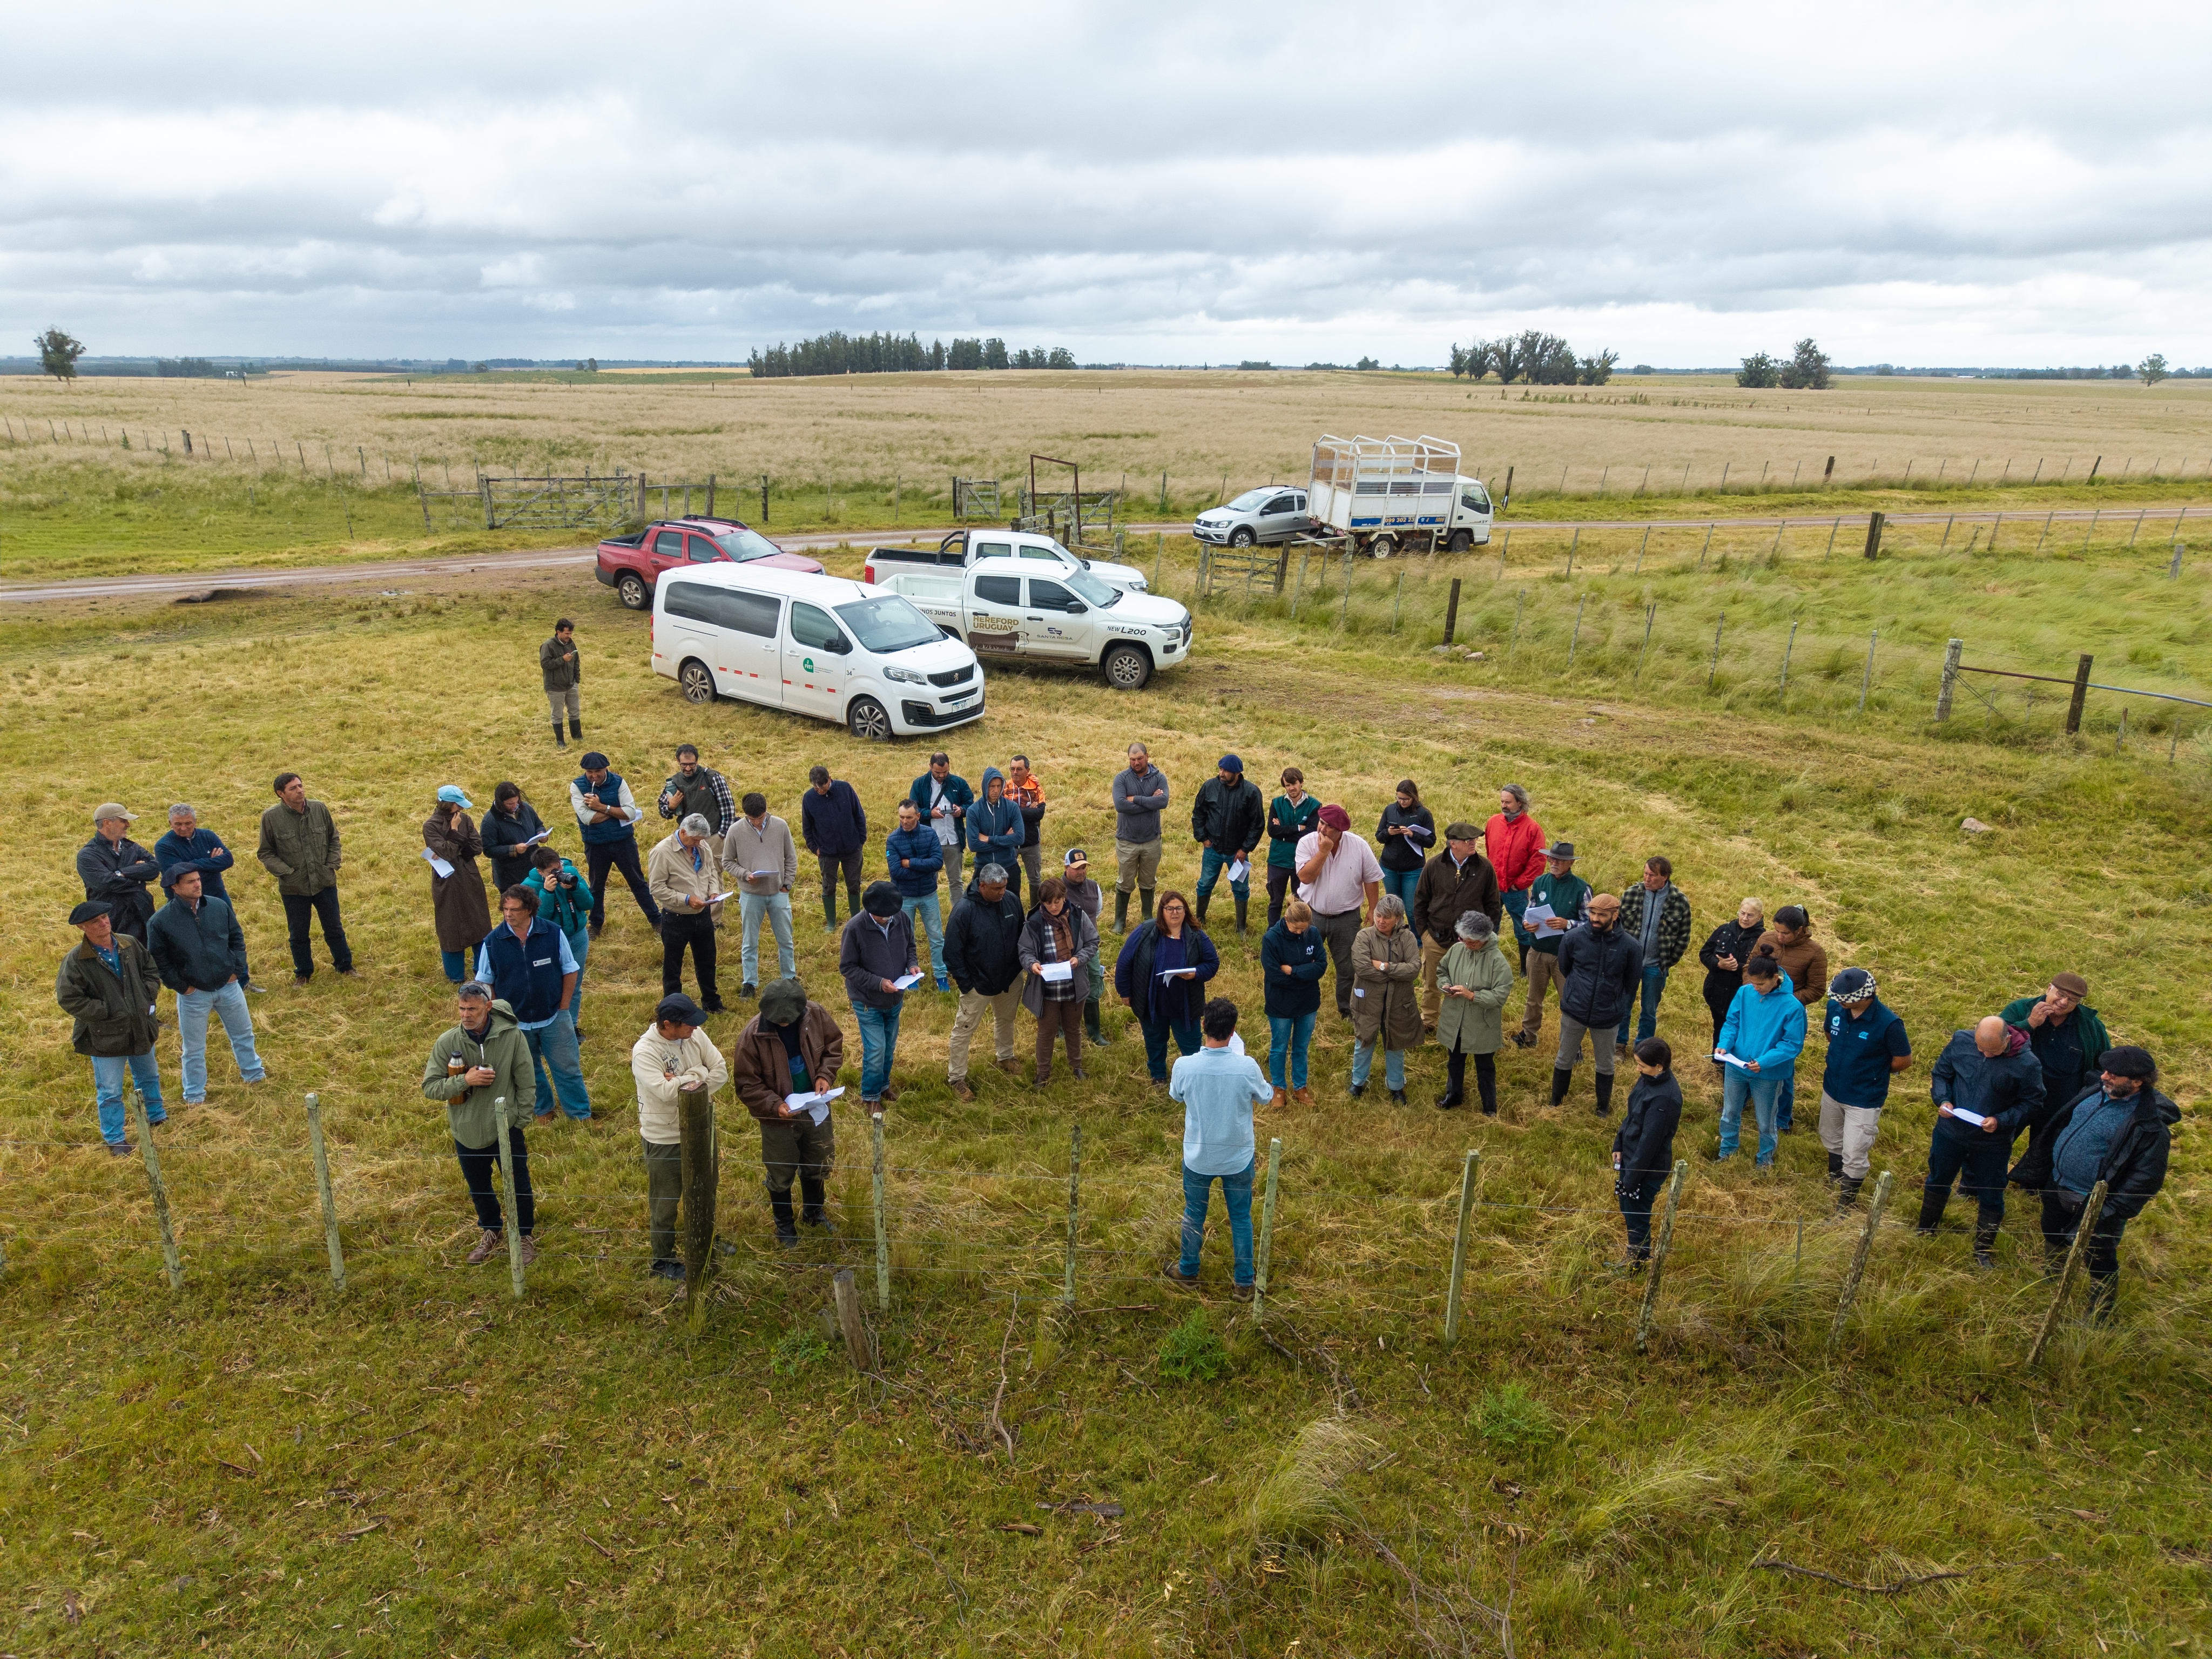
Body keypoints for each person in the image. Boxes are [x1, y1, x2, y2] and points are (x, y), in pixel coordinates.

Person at [2008, 1046, 2175, 1319]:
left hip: (2097, 1203)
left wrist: (2106, 1211)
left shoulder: (2149, 1125)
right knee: (2052, 1231)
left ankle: (2100, 1315)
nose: (2104, 1076)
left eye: (2114, 1074)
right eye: (2105, 1070)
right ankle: (2052, 1278)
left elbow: (2145, 1180)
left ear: (2137, 1081)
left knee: (2099, 1258)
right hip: (2058, 1182)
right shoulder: (2095, 1091)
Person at [1162, 997, 1273, 1300]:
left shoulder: (1184, 1066)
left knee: (1194, 1213)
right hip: (1237, 1158)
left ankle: (1188, 1271)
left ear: (1202, 1026)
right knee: (1240, 1217)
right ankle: (1243, 1283)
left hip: (1198, 1157)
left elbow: (1175, 1095)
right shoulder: (1247, 1066)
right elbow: (1266, 1096)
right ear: (1234, 1030)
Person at [421, 981, 537, 1265]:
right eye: (461, 1009)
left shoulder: (512, 1036)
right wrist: (465, 1080)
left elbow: (526, 1079)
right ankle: (491, 1229)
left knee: (519, 1183)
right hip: (467, 1128)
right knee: (479, 1186)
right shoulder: (447, 1042)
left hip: (505, 1127)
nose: (465, 1015)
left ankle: (524, 1236)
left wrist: (519, 1121)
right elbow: (430, 1088)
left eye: (472, 1009)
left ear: (488, 1007)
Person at [1919, 1015, 2046, 1267]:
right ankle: (1926, 1230)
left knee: (1991, 1193)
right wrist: (1943, 1100)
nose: (1985, 1054)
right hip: (1950, 1131)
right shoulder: (1960, 1041)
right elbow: (1941, 1073)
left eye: (1992, 1051)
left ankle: (1983, 1251)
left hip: (1992, 1142)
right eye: (1980, 1049)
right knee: (1938, 1178)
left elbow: (2033, 1102)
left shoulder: (2028, 1064)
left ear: (2007, 1039)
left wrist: (2001, 1121)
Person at [728, 979, 846, 1249]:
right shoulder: (751, 1037)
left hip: (816, 1107)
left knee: (818, 1160)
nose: (784, 1024)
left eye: (789, 1020)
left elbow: (833, 1046)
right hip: (778, 1117)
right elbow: (747, 1085)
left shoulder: (816, 1015)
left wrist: (825, 1076)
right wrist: (774, 1105)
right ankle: (785, 1227)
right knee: (780, 1170)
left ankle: (814, 1214)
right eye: (778, 1021)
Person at [630, 991, 732, 1276]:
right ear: (667, 1024)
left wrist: (685, 1078)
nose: (695, 1028)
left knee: (705, 1190)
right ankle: (663, 1261)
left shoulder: (694, 1036)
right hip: (664, 1138)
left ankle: (705, 1238)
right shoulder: (645, 1051)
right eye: (688, 1024)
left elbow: (721, 1071)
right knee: (665, 1203)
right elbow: (665, 1094)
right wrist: (700, 1073)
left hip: (700, 1129)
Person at [147, 867, 265, 1105]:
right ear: (175, 888)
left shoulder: (219, 907)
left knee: (244, 1034)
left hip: (229, 987)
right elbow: (159, 961)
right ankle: (194, 1095)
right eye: (190, 882)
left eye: (198, 879)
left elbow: (237, 938)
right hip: (194, 995)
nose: (197, 885)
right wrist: (183, 987)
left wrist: (236, 970)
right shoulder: (160, 921)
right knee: (193, 1049)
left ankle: (254, 1075)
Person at [57, 900, 166, 1154]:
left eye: (105, 917)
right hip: (104, 1036)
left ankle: (157, 1116)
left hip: (140, 1026)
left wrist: (146, 996)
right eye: (96, 921)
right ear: (82, 927)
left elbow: (151, 970)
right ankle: (115, 1138)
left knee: (149, 1075)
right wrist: (106, 1012)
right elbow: (69, 998)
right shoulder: (76, 960)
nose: (104, 922)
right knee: (110, 1091)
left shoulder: (129, 943)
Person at [476, 885, 591, 1122]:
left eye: (515, 909)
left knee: (567, 1069)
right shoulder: (491, 942)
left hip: (554, 1017)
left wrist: (563, 1008)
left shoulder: (553, 932)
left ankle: (580, 1114)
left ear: (529, 910)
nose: (508, 914)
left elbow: (571, 971)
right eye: (505, 909)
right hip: (515, 1023)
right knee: (529, 1070)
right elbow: (485, 983)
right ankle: (543, 1110)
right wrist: (501, 1014)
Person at [1817, 969, 1912, 1210]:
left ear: (1864, 996)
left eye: (1844, 998)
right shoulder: (1836, 1009)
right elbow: (1831, 1034)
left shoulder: (1889, 1024)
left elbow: (1903, 1060)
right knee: (1830, 1137)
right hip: (1832, 1089)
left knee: (1855, 1150)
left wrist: (1871, 1071)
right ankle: (1835, 1179)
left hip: (1864, 1098)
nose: (1839, 1001)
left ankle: (1846, 1205)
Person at [1999, 972, 2111, 1168]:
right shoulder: (2019, 1010)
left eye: (2073, 1000)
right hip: (2015, 1096)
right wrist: (2030, 1023)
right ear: (2049, 988)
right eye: (2060, 994)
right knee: (1997, 1140)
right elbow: (1995, 1044)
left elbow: (2103, 1063)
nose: (2063, 1002)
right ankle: (1974, 1185)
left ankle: (2032, 1188)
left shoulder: (2091, 1026)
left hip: (2060, 1103)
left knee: (2045, 1149)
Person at [1115, 889, 1220, 1087]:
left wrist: (1196, 973)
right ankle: (1158, 1076)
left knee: (1191, 1044)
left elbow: (1212, 963)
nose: (1175, 913)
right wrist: (1125, 992)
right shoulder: (1146, 931)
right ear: (1162, 911)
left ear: (1186, 911)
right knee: (1155, 1040)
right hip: (1153, 1002)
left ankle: (1192, 1078)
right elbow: (1124, 962)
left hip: (1185, 1003)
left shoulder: (1196, 935)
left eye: (1179, 908)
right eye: (1170, 908)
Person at [258, 772, 355, 984]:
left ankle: (345, 966)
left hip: (324, 882)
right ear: (280, 794)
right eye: (293, 788)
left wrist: (331, 865)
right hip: (294, 888)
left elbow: (333, 838)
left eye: (300, 786)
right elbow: (266, 853)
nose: (300, 790)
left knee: (334, 927)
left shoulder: (319, 808)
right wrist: (287, 873)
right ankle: (303, 973)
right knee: (298, 934)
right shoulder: (271, 818)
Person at [157, 804, 263, 994]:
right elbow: (176, 873)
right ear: (170, 823)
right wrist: (211, 863)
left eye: (188, 823)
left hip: (218, 898)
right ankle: (200, 987)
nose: (183, 828)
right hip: (186, 904)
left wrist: (191, 865)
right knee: (194, 945)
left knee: (229, 938)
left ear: (195, 822)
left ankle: (241, 981)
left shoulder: (208, 836)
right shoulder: (164, 846)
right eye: (178, 824)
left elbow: (228, 860)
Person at [1712, 955, 1806, 1166]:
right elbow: (1732, 1022)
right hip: (1736, 1066)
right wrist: (1725, 1044)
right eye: (1752, 983)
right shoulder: (1744, 992)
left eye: (1761, 984)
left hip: (1768, 1074)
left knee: (1766, 1122)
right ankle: (1726, 1153)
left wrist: (1765, 1062)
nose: (1756, 988)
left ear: (1776, 978)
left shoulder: (1793, 1007)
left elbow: (1792, 1044)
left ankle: (1765, 1161)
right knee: (1730, 1113)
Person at [943, 864, 1026, 1100]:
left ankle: (1005, 1057)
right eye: (996, 888)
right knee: (964, 1029)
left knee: (1006, 1019)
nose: (1002, 892)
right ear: (981, 885)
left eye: (1004, 887)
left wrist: (1018, 968)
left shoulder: (1011, 900)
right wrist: (967, 985)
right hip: (978, 985)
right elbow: (951, 953)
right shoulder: (964, 911)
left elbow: (1022, 934)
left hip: (1010, 979)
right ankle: (957, 1077)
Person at [1552, 892, 1641, 1114]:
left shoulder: (1631, 947)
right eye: (1592, 913)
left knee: (1606, 1063)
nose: (1595, 918)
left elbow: (1631, 984)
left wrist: (1614, 1003)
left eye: (1602, 915)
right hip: (1575, 1010)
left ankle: (1603, 1107)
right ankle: (1556, 1102)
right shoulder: (1573, 938)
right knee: (1564, 1058)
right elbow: (1566, 968)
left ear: (1615, 915)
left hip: (1607, 1015)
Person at [1294, 804, 1382, 1020]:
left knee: (1348, 967)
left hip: (1347, 918)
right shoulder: (1307, 843)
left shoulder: (1359, 846)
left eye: (1329, 827)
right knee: (1304, 962)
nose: (1322, 830)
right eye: (1321, 823)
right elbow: (1305, 877)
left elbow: (1371, 878)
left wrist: (1373, 908)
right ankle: (1301, 1004)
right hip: (1311, 915)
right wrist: (1323, 852)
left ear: (1341, 831)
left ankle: (1346, 1009)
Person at [1412, 822, 1501, 1033]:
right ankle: (1429, 1021)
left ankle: (1464, 1024)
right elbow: (1420, 901)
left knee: (1469, 985)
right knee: (1432, 982)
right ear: (1453, 844)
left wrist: (1483, 936)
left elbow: (1493, 905)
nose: (1474, 843)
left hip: (1471, 942)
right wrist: (1425, 934)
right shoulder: (1433, 866)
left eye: (1475, 840)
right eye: (1468, 840)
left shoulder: (1485, 867)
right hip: (1435, 937)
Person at [839, 880, 919, 1114]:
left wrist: (912, 965)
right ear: (871, 911)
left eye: (891, 915)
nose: (888, 919)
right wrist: (878, 983)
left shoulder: (901, 918)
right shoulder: (854, 929)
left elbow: (910, 946)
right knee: (875, 1049)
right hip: (868, 1003)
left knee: (888, 1047)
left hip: (895, 999)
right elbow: (848, 968)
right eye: (883, 916)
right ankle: (870, 1097)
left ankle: (884, 1086)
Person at [1751, 904, 1828, 1131]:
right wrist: (1754, 990)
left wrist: (1785, 1001)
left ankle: (1782, 1118)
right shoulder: (1766, 938)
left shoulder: (1815, 953)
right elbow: (1750, 968)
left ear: (1800, 930)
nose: (1779, 936)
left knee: (1783, 1065)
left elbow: (1816, 989)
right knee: (1750, 1052)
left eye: (1785, 933)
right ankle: (1748, 1100)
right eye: (1777, 931)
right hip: (1757, 1008)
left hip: (1789, 1015)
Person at [1020, 876, 1098, 1086]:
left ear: (1064, 898)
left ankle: (1077, 1066)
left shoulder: (1078, 917)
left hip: (1074, 986)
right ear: (1042, 902)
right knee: (1046, 1032)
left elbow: (1093, 942)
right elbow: (1025, 951)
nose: (1053, 907)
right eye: (1048, 903)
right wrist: (1032, 964)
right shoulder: (1034, 922)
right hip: (1046, 989)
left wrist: (1078, 959)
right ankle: (1043, 1073)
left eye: (1057, 901)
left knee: (1073, 1029)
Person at [570, 752, 659, 938]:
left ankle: (656, 920)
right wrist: (615, 811)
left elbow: (630, 813)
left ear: (606, 769)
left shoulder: (619, 782)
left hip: (623, 842)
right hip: (596, 844)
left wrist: (601, 807)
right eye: (589, 772)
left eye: (598, 772)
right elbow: (587, 818)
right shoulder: (577, 786)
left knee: (638, 883)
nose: (594, 776)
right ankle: (596, 924)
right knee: (597, 886)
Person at [1612, 1038, 1683, 1270]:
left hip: (1646, 1169)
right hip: (1631, 1160)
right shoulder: (1648, 1080)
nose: (1638, 1069)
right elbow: (1632, 1115)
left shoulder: (1665, 1097)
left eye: (1642, 1065)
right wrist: (1619, 1144)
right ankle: (1634, 1258)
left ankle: (1637, 1264)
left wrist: (1631, 1180)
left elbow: (1650, 1144)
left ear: (1659, 1066)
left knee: (1637, 1215)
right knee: (1628, 1208)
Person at [1435, 911, 1514, 1114]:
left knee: (1485, 1067)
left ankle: (1489, 1107)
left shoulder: (1498, 961)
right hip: (1456, 1020)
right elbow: (1441, 971)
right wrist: (1445, 986)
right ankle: (1453, 1096)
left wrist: (1472, 996)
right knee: (1454, 1061)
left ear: (1484, 939)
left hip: (1482, 1023)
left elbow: (1499, 996)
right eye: (1463, 939)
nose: (1465, 944)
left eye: (1471, 942)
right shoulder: (1457, 949)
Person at [1512, 841, 1588, 1048]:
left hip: (1566, 954)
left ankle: (1572, 1045)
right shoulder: (1540, 882)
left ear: (1570, 863)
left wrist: (1568, 924)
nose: (1553, 863)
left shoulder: (1582, 888)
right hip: (1537, 950)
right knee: (1533, 998)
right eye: (1551, 858)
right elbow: (1531, 909)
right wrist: (1527, 924)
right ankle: (1528, 1035)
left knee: (1569, 1002)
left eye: (1559, 860)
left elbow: (1591, 923)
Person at [1350, 894, 1423, 1104]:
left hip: (1399, 1003)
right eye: (1379, 916)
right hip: (1368, 1003)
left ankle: (1396, 1086)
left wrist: (1384, 966)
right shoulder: (1364, 936)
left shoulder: (1408, 938)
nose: (1380, 921)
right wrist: (1396, 975)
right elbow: (1362, 968)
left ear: (1398, 919)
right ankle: (1358, 1082)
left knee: (1396, 1045)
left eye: (1387, 918)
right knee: (1364, 1042)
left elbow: (1414, 969)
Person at [647, 813, 724, 1013]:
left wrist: (713, 891)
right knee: (673, 967)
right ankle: (674, 1008)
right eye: (695, 839)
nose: (699, 844)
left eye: (701, 840)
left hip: (703, 916)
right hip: (676, 918)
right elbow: (656, 888)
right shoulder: (661, 852)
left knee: (707, 962)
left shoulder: (702, 846)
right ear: (683, 832)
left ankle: (712, 1003)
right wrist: (687, 900)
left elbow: (711, 872)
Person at [723, 792, 798, 996]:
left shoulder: (781, 826)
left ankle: (790, 979)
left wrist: (787, 886)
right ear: (746, 815)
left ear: (766, 811)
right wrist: (745, 875)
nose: (757, 822)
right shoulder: (735, 831)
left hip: (778, 893)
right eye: (752, 819)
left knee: (785, 939)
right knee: (750, 941)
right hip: (751, 895)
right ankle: (750, 983)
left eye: (761, 818)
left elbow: (791, 858)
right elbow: (727, 861)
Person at [1615, 857, 1691, 1056]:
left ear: (1664, 877)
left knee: (1649, 1011)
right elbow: (1618, 927)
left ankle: (1643, 1048)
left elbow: (1684, 935)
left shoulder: (1679, 901)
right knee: (1623, 1005)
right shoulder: (1631, 894)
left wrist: (1666, 962)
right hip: (1629, 964)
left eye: (1652, 875)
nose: (1647, 879)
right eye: (1645, 874)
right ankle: (1618, 1045)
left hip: (1656, 966)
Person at [1260, 898, 1328, 1109]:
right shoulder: (1271, 939)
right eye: (1296, 929)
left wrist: (1293, 971)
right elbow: (1274, 974)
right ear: (1286, 919)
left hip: (1307, 1002)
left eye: (1303, 929)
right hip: (1280, 1003)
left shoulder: (1313, 934)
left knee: (1301, 1047)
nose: (1300, 933)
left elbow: (1322, 966)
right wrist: (1306, 975)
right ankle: (1278, 1087)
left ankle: (1301, 1087)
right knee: (1279, 1047)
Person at [424, 785, 492, 985]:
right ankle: (455, 975)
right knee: (450, 926)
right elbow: (447, 853)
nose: (461, 810)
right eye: (457, 805)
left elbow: (477, 847)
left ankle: (482, 970)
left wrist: (454, 846)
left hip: (469, 877)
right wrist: (454, 833)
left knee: (479, 922)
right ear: (447, 804)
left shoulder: (466, 820)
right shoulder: (430, 826)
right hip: (446, 881)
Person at [524, 845, 595, 1037]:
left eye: (559, 869)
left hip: (578, 936)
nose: (559, 873)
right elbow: (539, 922)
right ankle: (548, 1027)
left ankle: (571, 1026)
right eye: (552, 872)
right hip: (551, 941)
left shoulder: (571, 873)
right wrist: (546, 894)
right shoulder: (530, 886)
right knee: (550, 984)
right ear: (540, 872)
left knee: (575, 983)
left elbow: (588, 904)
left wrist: (576, 888)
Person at [1190, 753, 1264, 934]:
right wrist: (1204, 839)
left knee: (1240, 890)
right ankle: (1199, 920)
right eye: (1220, 769)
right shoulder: (1210, 786)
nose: (1221, 773)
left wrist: (1245, 849)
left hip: (1237, 854)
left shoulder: (1251, 792)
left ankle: (1241, 927)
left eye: (1226, 771)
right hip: (1213, 849)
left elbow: (1258, 825)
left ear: (1237, 773)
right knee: (1205, 884)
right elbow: (1198, 814)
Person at [886, 798, 949, 991]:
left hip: (928, 894)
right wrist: (924, 867)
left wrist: (911, 863)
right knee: (906, 937)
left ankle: (941, 975)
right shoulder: (893, 839)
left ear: (918, 816)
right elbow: (896, 872)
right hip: (905, 897)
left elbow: (938, 863)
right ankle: (909, 974)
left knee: (936, 937)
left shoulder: (930, 835)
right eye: (902, 817)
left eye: (909, 818)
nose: (905, 822)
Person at [77, 804, 161, 946]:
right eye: (123, 821)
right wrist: (139, 879)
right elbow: (106, 883)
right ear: (107, 823)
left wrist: (122, 873)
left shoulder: (131, 847)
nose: (128, 825)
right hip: (113, 920)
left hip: (143, 914)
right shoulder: (87, 855)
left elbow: (154, 868)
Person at [1486, 784, 1548, 970]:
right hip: (1493, 888)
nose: (1504, 806)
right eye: (1502, 802)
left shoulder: (1533, 829)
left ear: (1520, 803)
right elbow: (1490, 852)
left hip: (1516, 891)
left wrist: (1518, 885)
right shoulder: (1493, 822)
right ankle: (1487, 963)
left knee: (1523, 928)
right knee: (1489, 925)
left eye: (1508, 802)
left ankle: (1525, 969)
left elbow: (1538, 861)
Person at [1110, 741, 1171, 930]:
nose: (1136, 763)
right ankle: (1120, 920)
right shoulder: (1121, 779)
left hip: (1152, 840)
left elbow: (1163, 801)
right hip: (1127, 841)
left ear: (1147, 756)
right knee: (1125, 882)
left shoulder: (1159, 777)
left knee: (1148, 881)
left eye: (1139, 759)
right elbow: (1121, 805)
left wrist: (1135, 799)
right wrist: (1149, 802)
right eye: (1132, 759)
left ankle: (1148, 918)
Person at [1697, 898, 1765, 1064]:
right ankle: (1719, 1061)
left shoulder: (1764, 938)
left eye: (1750, 915)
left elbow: (1763, 967)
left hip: (1742, 994)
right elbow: (1705, 953)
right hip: (1717, 991)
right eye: (1742, 913)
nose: (1745, 918)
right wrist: (1718, 964)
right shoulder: (1724, 930)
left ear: (1760, 917)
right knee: (1719, 1027)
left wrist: (1738, 967)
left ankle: (1736, 1065)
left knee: (1741, 1030)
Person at [802, 765, 868, 930]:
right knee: (828, 885)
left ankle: (856, 920)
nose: (820, 791)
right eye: (816, 788)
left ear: (829, 779)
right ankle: (831, 923)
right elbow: (807, 828)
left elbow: (858, 814)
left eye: (822, 788)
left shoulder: (845, 788)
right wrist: (815, 849)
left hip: (852, 849)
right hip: (826, 853)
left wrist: (860, 840)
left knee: (854, 883)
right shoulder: (809, 799)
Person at [1062, 848, 1113, 1047]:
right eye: (1076, 868)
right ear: (1066, 867)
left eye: (1084, 867)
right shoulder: (1057, 889)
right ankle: (1060, 1028)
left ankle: (1094, 1032)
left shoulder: (1094, 887)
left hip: (1090, 948)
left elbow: (1096, 912)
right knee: (1063, 986)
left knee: (1093, 983)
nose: (1081, 871)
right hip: (1064, 948)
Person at [657, 744, 737, 871]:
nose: (688, 768)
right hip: (687, 841)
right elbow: (664, 812)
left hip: (712, 838)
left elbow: (728, 808)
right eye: (684, 765)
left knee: (713, 877)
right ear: (678, 761)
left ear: (697, 762)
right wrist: (671, 807)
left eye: (692, 764)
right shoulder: (674, 783)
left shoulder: (712, 777)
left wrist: (721, 835)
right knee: (689, 876)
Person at [1263, 766, 1320, 928]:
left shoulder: (1315, 805)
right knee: (1275, 901)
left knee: (1299, 901)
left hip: (1302, 862)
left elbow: (1311, 834)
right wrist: (1297, 828)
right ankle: (1273, 933)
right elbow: (1272, 831)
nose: (1291, 788)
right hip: (1277, 860)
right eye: (1287, 785)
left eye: (1294, 783)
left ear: (1302, 783)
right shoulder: (1277, 803)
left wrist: (1284, 831)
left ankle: (1298, 930)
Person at [911, 752, 975, 895]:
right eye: (937, 772)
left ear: (949, 767)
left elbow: (971, 805)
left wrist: (961, 810)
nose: (941, 775)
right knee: (929, 880)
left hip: (953, 840)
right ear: (930, 767)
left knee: (956, 881)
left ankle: (958, 914)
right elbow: (913, 811)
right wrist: (930, 814)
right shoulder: (919, 784)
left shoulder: (959, 783)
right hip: (930, 842)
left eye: (945, 772)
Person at [964, 767, 1026, 913]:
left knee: (1012, 908)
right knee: (981, 911)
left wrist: (989, 839)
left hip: (1009, 866)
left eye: (999, 786)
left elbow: (1020, 838)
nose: (996, 790)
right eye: (992, 786)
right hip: (983, 868)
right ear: (985, 786)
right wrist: (1006, 841)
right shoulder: (973, 811)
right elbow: (973, 845)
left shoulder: (1012, 808)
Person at [1374, 779, 1436, 919]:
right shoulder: (1389, 810)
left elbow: (1431, 841)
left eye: (1405, 799)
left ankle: (1416, 940)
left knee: (1412, 910)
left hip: (1413, 870)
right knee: (1393, 910)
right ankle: (1396, 937)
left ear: (1413, 797)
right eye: (1399, 798)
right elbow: (1379, 836)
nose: (1401, 802)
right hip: (1389, 868)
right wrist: (1388, 833)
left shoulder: (1424, 814)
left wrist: (1413, 835)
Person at [480, 783, 549, 897]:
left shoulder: (525, 808)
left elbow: (538, 824)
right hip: (509, 877)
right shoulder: (490, 821)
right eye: (510, 804)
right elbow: (488, 850)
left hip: (533, 868)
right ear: (500, 802)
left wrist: (541, 833)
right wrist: (514, 849)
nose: (515, 806)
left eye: (517, 802)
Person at [1007, 753, 1048, 905]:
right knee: (1009, 879)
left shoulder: (1036, 788)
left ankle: (1036, 912)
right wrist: (1027, 810)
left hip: (1031, 843)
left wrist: (1015, 811)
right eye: (1012, 769)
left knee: (1035, 880)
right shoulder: (1004, 788)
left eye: (1019, 769)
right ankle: (1013, 909)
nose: (1015, 773)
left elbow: (1040, 813)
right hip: (1010, 842)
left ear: (1028, 770)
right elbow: (1003, 813)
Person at [542, 617, 581, 748]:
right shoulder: (548, 645)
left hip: (571, 685)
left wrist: (576, 680)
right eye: (567, 634)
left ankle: (577, 736)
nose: (569, 637)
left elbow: (576, 661)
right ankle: (560, 741)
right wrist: (561, 660)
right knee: (558, 715)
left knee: (574, 711)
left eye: (571, 634)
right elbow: (545, 664)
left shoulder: (571, 643)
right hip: (555, 687)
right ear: (558, 632)